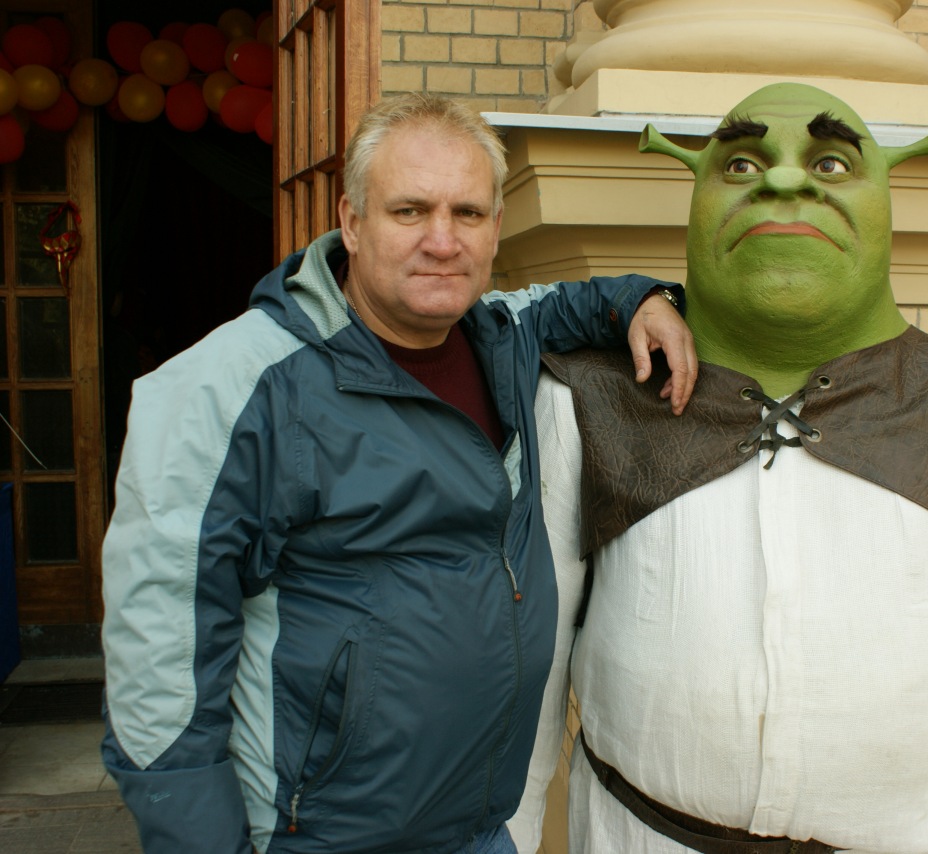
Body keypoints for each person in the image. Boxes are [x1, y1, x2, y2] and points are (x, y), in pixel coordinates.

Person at [512, 83, 928, 854]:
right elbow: (524, 681)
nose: (782, 180)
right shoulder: (582, 404)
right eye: (740, 163)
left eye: (832, 162)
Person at [99, 92, 697, 854]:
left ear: (496, 228)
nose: (442, 241)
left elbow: (567, 304)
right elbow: (158, 679)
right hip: (320, 838)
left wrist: (644, 300)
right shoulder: (229, 388)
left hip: (479, 830)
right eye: (410, 211)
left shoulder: (499, 337)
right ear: (351, 222)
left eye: (467, 213)